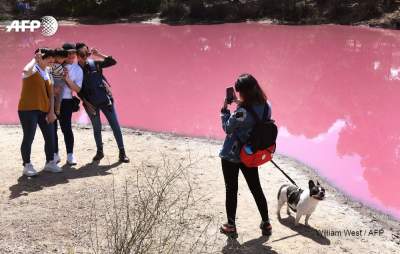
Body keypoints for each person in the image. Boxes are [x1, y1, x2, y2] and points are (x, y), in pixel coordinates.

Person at [219, 74, 272, 238]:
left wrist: (224, 110)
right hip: (251, 154)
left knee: (231, 189)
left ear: (244, 92)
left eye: (239, 92)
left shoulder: (241, 112)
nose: (238, 94)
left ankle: (230, 225)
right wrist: (237, 103)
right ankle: (266, 223)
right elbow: (252, 114)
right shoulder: (266, 106)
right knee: (256, 188)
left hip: (232, 155)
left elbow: (227, 128)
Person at [76, 42, 129, 163]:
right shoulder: (75, 70)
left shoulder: (95, 64)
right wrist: (86, 104)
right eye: (82, 55)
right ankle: (100, 152)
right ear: (77, 56)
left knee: (115, 125)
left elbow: (112, 62)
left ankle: (122, 152)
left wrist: (99, 54)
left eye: (87, 54)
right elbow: (77, 90)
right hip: (90, 104)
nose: (85, 57)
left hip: (105, 100)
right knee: (96, 128)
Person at [18, 48, 62, 176]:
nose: (52, 61)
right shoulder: (32, 70)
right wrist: (34, 59)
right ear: (41, 58)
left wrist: (52, 112)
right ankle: (27, 165)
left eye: (52, 58)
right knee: (29, 137)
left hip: (44, 110)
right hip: (27, 109)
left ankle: (49, 163)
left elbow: (51, 93)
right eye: (48, 58)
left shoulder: (48, 72)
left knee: (50, 136)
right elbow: (25, 70)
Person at [53, 43, 83, 165]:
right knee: (52, 129)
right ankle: (54, 154)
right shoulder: (54, 65)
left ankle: (70, 154)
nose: (71, 55)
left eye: (73, 53)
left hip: (67, 101)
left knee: (67, 129)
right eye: (68, 53)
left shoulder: (77, 69)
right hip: (52, 100)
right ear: (63, 55)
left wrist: (67, 79)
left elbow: (78, 89)